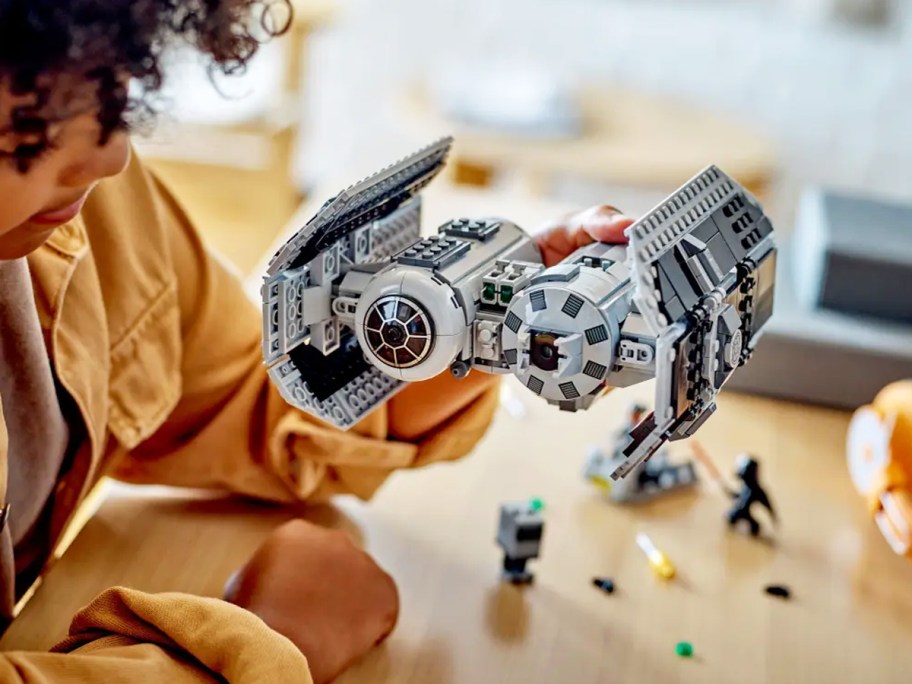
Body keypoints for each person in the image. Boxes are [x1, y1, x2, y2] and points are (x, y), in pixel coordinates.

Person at [0, 1, 634, 682]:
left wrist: (478, 323)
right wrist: (267, 642)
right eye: (26, 124)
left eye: (105, 83)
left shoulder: (86, 214)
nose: (109, 154)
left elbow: (259, 398)